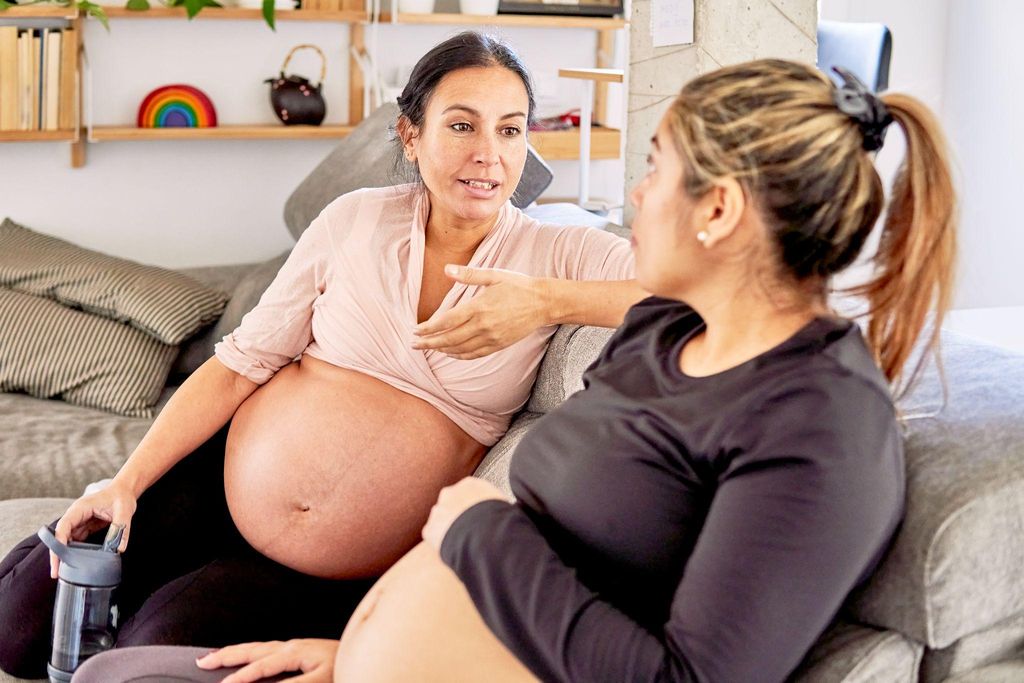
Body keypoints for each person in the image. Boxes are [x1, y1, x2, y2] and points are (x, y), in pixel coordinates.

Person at [78, 58, 956, 682]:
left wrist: (473, 526)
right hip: (362, 659)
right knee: (108, 671)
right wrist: (356, 655)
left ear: (719, 210)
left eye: (654, 170)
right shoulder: (665, 339)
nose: (635, 197)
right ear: (412, 139)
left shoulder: (818, 424)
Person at [0, 31, 644, 680]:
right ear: (412, 135)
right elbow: (238, 363)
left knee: (154, 649)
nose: (489, 155)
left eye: (510, 131)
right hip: (210, 486)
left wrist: (542, 302)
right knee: (15, 625)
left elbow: (697, 291)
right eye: (461, 125)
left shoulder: (559, 252)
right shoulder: (356, 219)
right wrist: (127, 481)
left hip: (333, 568)